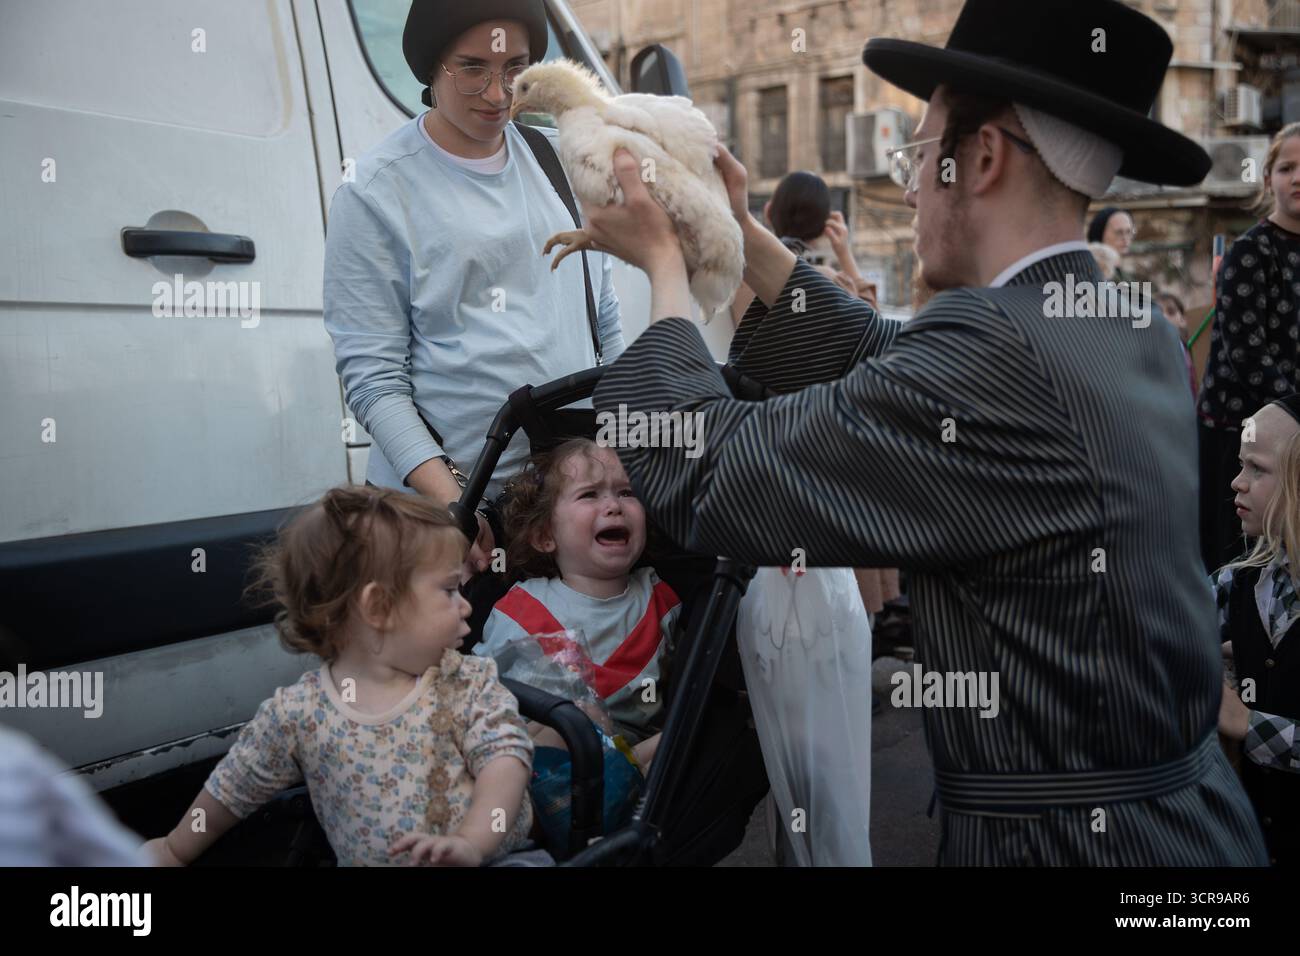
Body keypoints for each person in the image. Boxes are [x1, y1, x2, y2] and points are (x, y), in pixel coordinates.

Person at [577, 0, 1266, 865]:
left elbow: (716, 471)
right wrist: (737, 232)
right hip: (1188, 833)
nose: (905, 186)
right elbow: (884, 358)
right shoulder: (1126, 323)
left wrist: (665, 274)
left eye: (919, 155)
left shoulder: (991, 348)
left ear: (979, 160)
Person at [323, 0, 625, 596]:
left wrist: (613, 463)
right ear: (432, 68)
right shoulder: (377, 190)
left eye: (515, 68)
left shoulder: (558, 160)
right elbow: (373, 378)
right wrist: (455, 506)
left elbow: (603, 319)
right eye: (472, 68)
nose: (497, 93)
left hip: (563, 512)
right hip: (452, 525)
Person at [143, 486, 540, 867]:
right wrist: (176, 850)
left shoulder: (465, 682)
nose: (466, 606)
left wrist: (469, 843)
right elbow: (234, 786)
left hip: (497, 859)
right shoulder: (301, 713)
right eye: (450, 589)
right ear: (380, 608)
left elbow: (505, 764)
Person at [475, 440, 678, 849]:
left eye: (627, 492)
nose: (614, 505)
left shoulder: (662, 601)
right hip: (538, 763)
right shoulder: (522, 607)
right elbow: (483, 696)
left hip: (630, 763)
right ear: (545, 535)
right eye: (590, 494)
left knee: (681, 736)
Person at [1199, 122, 1300, 574]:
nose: (1297, 177)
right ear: (1268, 180)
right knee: (1237, 554)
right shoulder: (1251, 251)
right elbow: (1248, 356)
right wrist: (1295, 414)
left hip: (1294, 430)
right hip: (1240, 436)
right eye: (1287, 167)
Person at [1211, 396, 1300, 865]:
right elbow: (1169, 622)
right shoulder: (1244, 578)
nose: (1236, 482)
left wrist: (1248, 723)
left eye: (1256, 469)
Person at [1155, 291, 1197, 398]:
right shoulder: (1149, 360)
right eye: (1158, 313)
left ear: (1183, 320)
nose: (1164, 317)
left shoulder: (1196, 353)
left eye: (1171, 312)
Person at [1087, 206, 1135, 280]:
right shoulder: (1094, 270)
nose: (1125, 238)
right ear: (1101, 233)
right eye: (1119, 232)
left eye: (1128, 232)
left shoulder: (1122, 272)